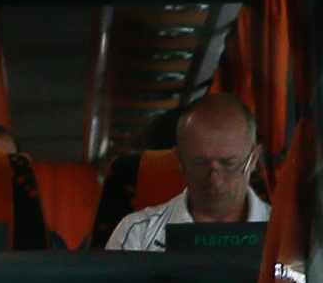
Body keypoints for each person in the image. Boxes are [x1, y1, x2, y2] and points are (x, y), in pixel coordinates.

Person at [105, 92, 269, 251]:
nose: (214, 179)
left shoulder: (281, 235)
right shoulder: (137, 234)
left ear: (254, 159)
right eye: (199, 164)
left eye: (229, 164)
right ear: (180, 160)